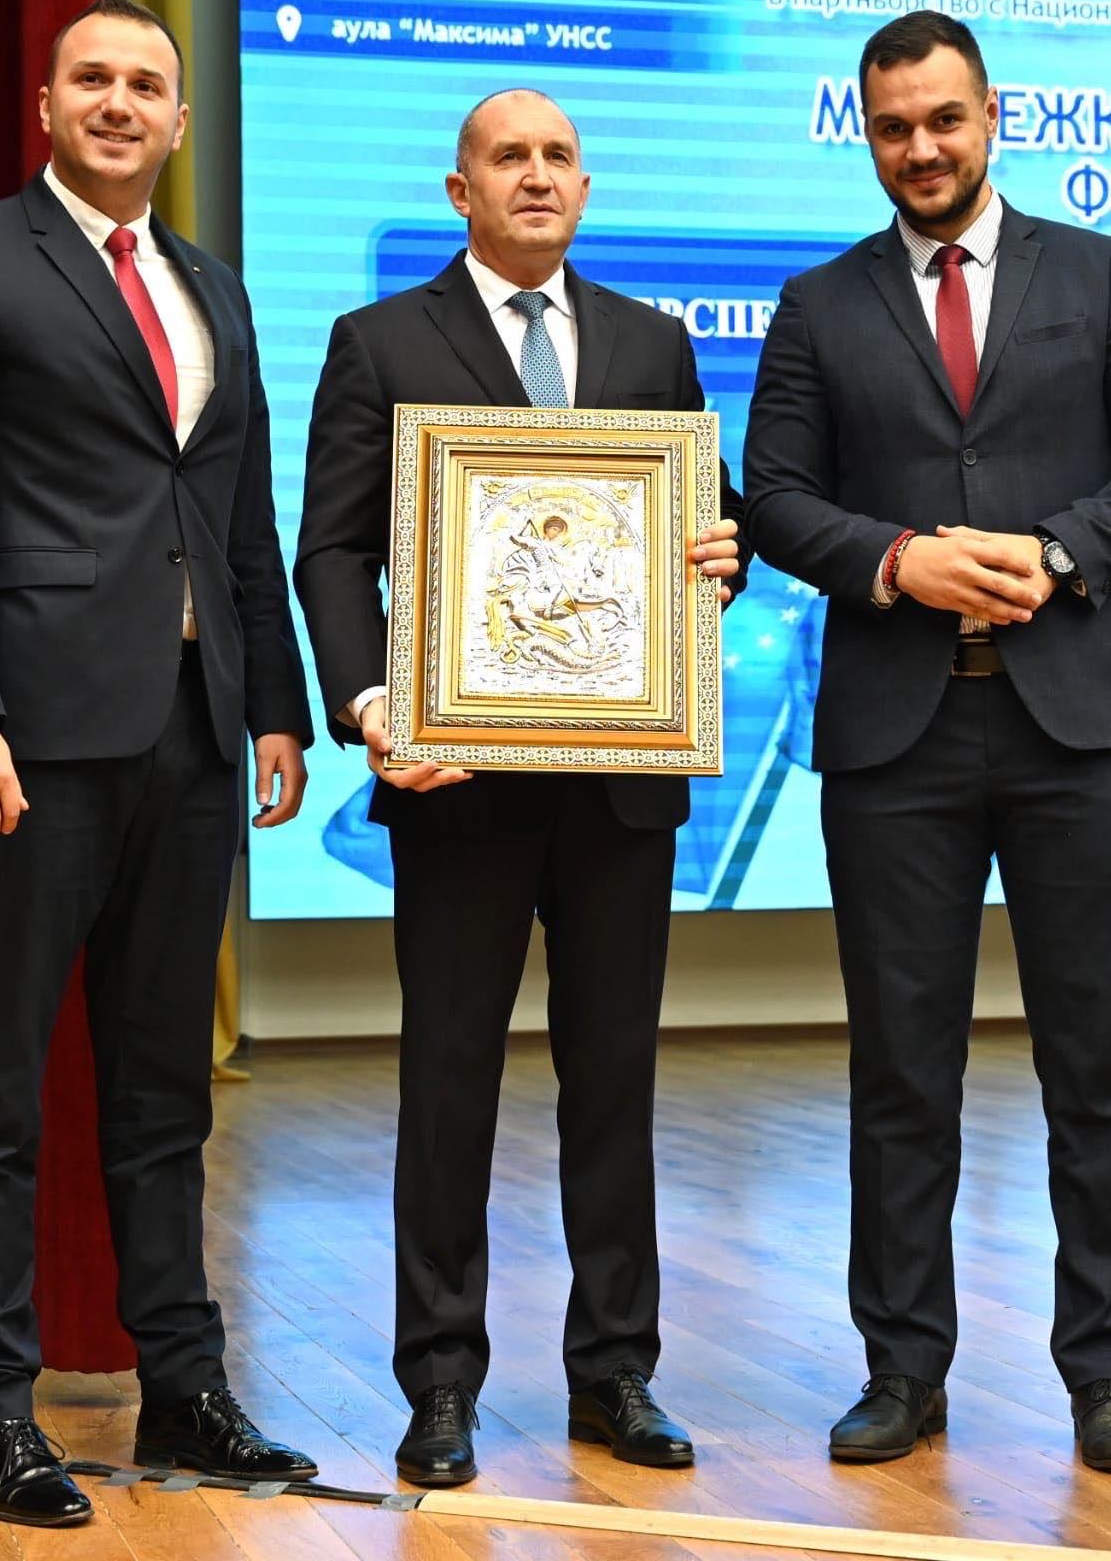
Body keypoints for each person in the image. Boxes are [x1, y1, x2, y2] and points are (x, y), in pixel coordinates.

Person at [745, 11, 1111, 1472]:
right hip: (899, 741)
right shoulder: (819, 304)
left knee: (1099, 1065)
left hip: (1083, 729)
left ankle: (1108, 1378)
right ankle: (903, 1371)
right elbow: (775, 497)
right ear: (866, 133)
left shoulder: (1104, 272)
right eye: (894, 127)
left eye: (943, 119)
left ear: (992, 115)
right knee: (902, 1072)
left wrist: (1057, 553)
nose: (922, 149)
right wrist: (900, 560)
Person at [0, 0, 319, 1527]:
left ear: (181, 122)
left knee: (163, 1088)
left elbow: (239, 515)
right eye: (93, 79)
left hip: (194, 737)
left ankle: (183, 1387)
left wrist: (276, 707)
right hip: (30, 740)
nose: (120, 102)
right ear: (48, 108)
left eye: (146, 83)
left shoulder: (215, 288)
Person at [295, 89, 743, 1487]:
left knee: (615, 1084)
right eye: (509, 157)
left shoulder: (654, 344)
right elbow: (330, 552)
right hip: (459, 784)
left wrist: (718, 561)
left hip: (622, 790)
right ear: (461, 189)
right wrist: (370, 705)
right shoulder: (379, 341)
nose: (536, 176)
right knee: (448, 1085)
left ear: (585, 187)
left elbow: (704, 532)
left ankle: (616, 1373)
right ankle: (440, 1384)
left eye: (557, 157)